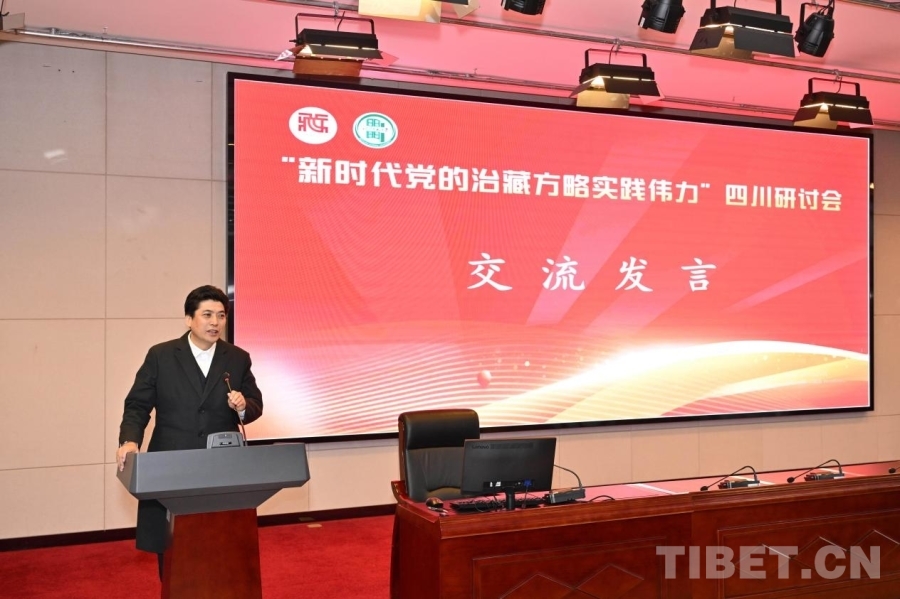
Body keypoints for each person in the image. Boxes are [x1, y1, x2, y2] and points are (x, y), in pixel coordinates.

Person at [115, 285, 263, 579]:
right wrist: (130, 441)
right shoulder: (161, 355)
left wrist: (242, 406)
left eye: (221, 315)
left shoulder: (237, 358)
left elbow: (255, 405)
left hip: (222, 465)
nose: (215, 322)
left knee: (223, 546)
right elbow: (137, 405)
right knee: (172, 549)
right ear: (189, 319)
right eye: (207, 314)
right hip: (172, 462)